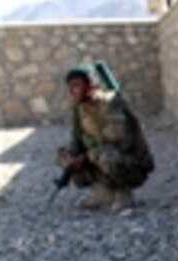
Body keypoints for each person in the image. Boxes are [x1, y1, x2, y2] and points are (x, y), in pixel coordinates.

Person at [56, 64, 154, 211]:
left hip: (132, 162)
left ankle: (123, 193)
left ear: (90, 85)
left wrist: (87, 156)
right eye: (70, 86)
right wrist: (72, 156)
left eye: (76, 85)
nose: (72, 90)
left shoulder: (110, 103)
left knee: (105, 156)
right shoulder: (80, 107)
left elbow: (120, 140)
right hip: (100, 154)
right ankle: (103, 194)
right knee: (63, 156)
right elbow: (76, 138)